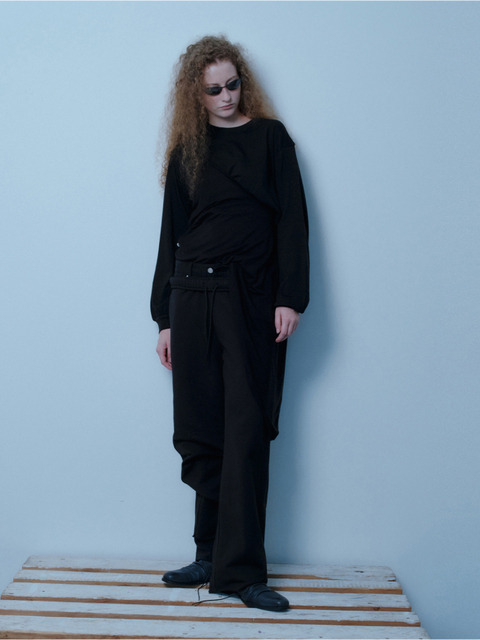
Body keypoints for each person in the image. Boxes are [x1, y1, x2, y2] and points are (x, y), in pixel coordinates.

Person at [150, 35, 309, 612]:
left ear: (243, 81)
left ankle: (242, 573)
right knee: (202, 427)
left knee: (245, 429)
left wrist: (290, 298)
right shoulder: (187, 152)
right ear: (196, 94)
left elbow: (293, 222)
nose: (225, 96)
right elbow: (171, 235)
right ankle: (209, 552)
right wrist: (164, 317)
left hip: (250, 298)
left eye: (232, 84)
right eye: (212, 89)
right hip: (192, 296)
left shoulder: (270, 139)